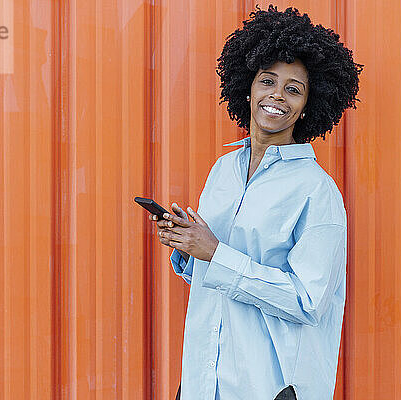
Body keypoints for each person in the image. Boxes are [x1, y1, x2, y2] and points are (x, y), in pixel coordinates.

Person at [149, 5, 363, 400]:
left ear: (307, 106)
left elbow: (307, 301)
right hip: (204, 381)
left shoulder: (317, 192)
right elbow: (214, 274)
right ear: (248, 86)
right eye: (268, 81)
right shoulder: (222, 171)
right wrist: (187, 247)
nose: (277, 96)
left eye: (293, 89)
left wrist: (214, 252)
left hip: (268, 388)